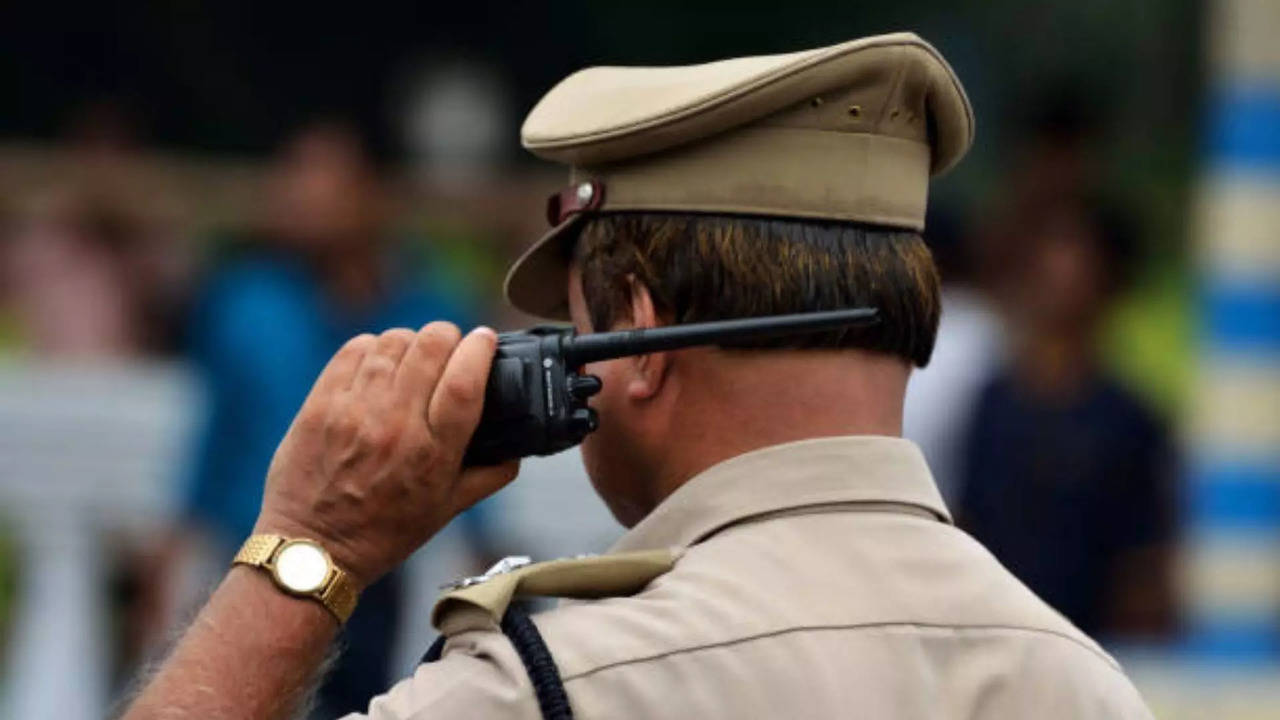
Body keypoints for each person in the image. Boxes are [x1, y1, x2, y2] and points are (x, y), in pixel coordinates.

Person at [122, 33, 1153, 719]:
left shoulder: (551, 689)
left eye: (572, 320)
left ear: (642, 342)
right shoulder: (1083, 685)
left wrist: (309, 551)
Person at [167, 122, 485, 716]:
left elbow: (472, 449)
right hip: (249, 557)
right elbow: (213, 441)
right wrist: (175, 545)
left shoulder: (433, 310)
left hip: (383, 569)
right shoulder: (243, 302)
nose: (303, 194)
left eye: (324, 176)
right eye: (295, 174)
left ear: (373, 193)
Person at [957, 197, 1178, 640]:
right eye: (1045, 262)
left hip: (1094, 653)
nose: (1058, 278)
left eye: (1074, 261)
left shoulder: (1131, 420)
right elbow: (968, 528)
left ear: (1108, 283)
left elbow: (1143, 567)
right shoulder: (991, 403)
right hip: (995, 643)